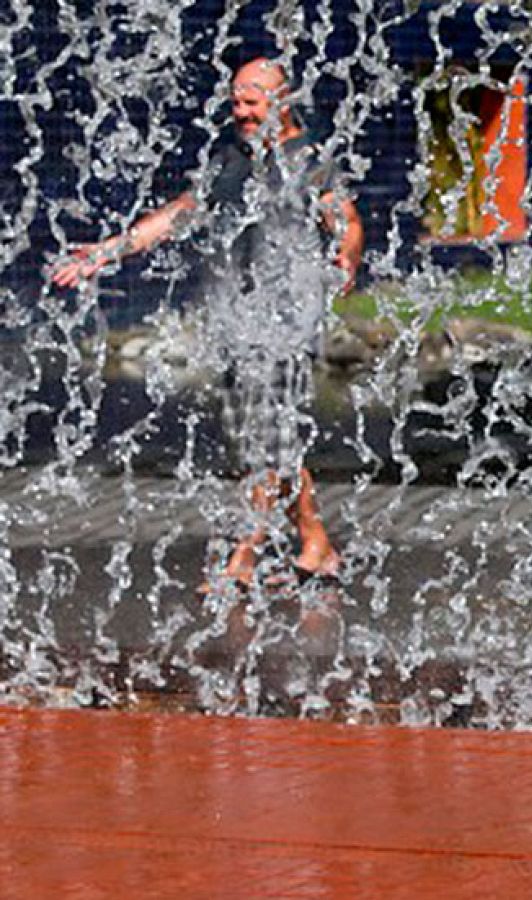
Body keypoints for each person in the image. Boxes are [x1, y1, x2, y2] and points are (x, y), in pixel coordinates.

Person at [52, 58, 361, 584]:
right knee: (261, 439)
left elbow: (346, 220)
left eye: (251, 102)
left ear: (282, 102)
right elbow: (181, 212)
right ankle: (316, 545)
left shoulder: (311, 160)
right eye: (235, 101)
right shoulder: (230, 158)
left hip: (287, 320)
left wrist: (346, 257)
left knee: (266, 437)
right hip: (241, 317)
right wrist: (109, 251)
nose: (240, 111)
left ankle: (244, 555)